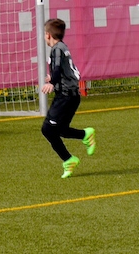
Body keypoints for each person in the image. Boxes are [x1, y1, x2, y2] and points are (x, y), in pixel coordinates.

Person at [40, 18, 96, 178]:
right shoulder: (62, 47)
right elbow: (63, 70)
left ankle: (68, 159)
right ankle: (85, 135)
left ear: (49, 35)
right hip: (70, 96)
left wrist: (53, 81)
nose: (44, 37)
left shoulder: (57, 49)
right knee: (60, 130)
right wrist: (53, 79)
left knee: (48, 129)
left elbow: (57, 70)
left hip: (66, 96)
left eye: (45, 34)